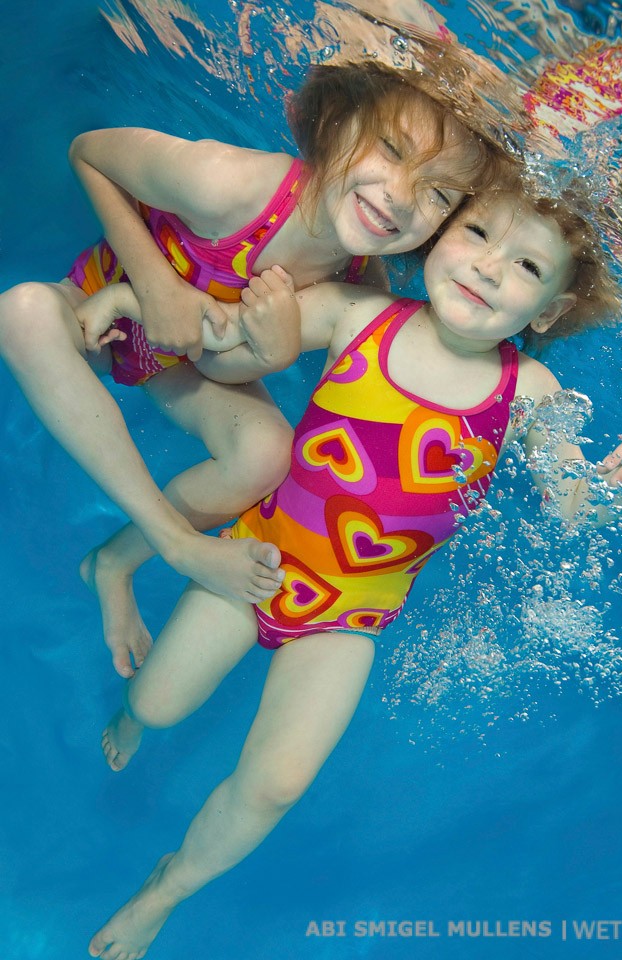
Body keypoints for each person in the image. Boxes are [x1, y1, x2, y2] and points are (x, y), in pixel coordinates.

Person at [86, 182, 622, 959]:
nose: (489, 267)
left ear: (549, 312)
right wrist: (174, 306)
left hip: (350, 618)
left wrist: (611, 492)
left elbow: (569, 505)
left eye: (528, 265)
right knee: (158, 704)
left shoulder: (531, 392)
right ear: (438, 235)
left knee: (277, 785)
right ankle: (134, 716)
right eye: (475, 232)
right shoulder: (356, 315)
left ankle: (167, 888)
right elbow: (219, 347)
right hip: (256, 560)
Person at [0, 58, 515, 678]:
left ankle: (112, 562)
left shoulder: (357, 281)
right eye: (390, 148)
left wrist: (271, 354)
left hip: (181, 362)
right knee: (22, 311)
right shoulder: (228, 183)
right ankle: (174, 543)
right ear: (339, 123)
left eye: (437, 193)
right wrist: (154, 286)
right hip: (93, 316)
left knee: (268, 451)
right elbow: (87, 153)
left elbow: (217, 358)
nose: (400, 196)